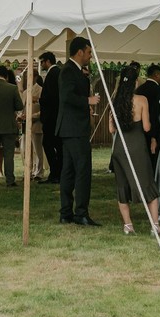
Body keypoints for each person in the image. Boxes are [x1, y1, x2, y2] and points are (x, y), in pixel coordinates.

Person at [109, 61, 160, 235]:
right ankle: (154, 225)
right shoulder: (141, 100)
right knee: (147, 183)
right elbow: (146, 127)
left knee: (122, 186)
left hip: (119, 148)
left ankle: (128, 225)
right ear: (135, 82)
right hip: (136, 146)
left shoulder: (115, 101)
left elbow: (111, 129)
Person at [57, 36, 100, 226]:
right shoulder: (68, 70)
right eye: (89, 52)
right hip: (74, 128)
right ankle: (80, 212)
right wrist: (87, 101)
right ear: (80, 52)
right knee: (82, 170)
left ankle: (66, 212)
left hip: (71, 127)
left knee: (68, 171)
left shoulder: (76, 71)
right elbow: (67, 96)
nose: (91, 56)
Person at [38, 52, 63, 184]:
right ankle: (58, 172)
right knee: (57, 145)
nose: (41, 65)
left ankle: (55, 172)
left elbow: (51, 97)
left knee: (48, 144)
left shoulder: (53, 74)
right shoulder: (57, 73)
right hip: (55, 116)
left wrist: (41, 101)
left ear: (47, 61)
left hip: (51, 117)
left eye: (42, 62)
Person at [137, 62, 160, 163]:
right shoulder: (159, 90)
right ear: (157, 74)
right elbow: (157, 111)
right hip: (154, 127)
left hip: (139, 127)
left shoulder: (139, 89)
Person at [26, 68, 46, 180]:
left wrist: (33, 116)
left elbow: (44, 108)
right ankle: (30, 171)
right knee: (28, 150)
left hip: (37, 123)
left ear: (35, 77)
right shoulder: (26, 91)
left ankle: (39, 172)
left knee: (38, 150)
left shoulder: (41, 90)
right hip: (27, 124)